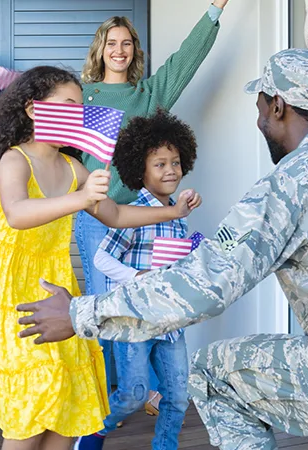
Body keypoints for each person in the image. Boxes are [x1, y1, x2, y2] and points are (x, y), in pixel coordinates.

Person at [16, 49, 308, 450]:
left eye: (262, 105)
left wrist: (80, 314)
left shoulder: (292, 182)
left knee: (210, 372)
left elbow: (205, 283)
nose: (260, 117)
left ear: (278, 106)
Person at [0, 65, 201, 450]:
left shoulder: (73, 167)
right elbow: (18, 213)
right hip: (8, 295)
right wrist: (81, 198)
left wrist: (172, 212)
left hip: (55, 292)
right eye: (68, 103)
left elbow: (115, 215)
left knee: (64, 408)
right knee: (28, 415)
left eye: (80, 106)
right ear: (33, 109)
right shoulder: (14, 161)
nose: (78, 113)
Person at [76, 0, 230, 413]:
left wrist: (215, 9)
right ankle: (105, 397)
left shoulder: (148, 94)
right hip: (95, 215)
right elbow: (61, 151)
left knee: (150, 298)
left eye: (127, 43)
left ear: (134, 51)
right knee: (101, 304)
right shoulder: (83, 95)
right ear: (100, 49)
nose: (120, 50)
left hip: (143, 218)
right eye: (112, 43)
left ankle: (145, 390)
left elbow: (185, 60)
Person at [76, 110, 199, 450]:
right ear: (139, 170)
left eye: (175, 162)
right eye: (159, 164)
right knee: (134, 393)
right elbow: (102, 259)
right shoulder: (135, 213)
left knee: (176, 398)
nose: (170, 170)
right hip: (134, 320)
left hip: (170, 321)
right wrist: (137, 275)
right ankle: (94, 432)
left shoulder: (178, 215)